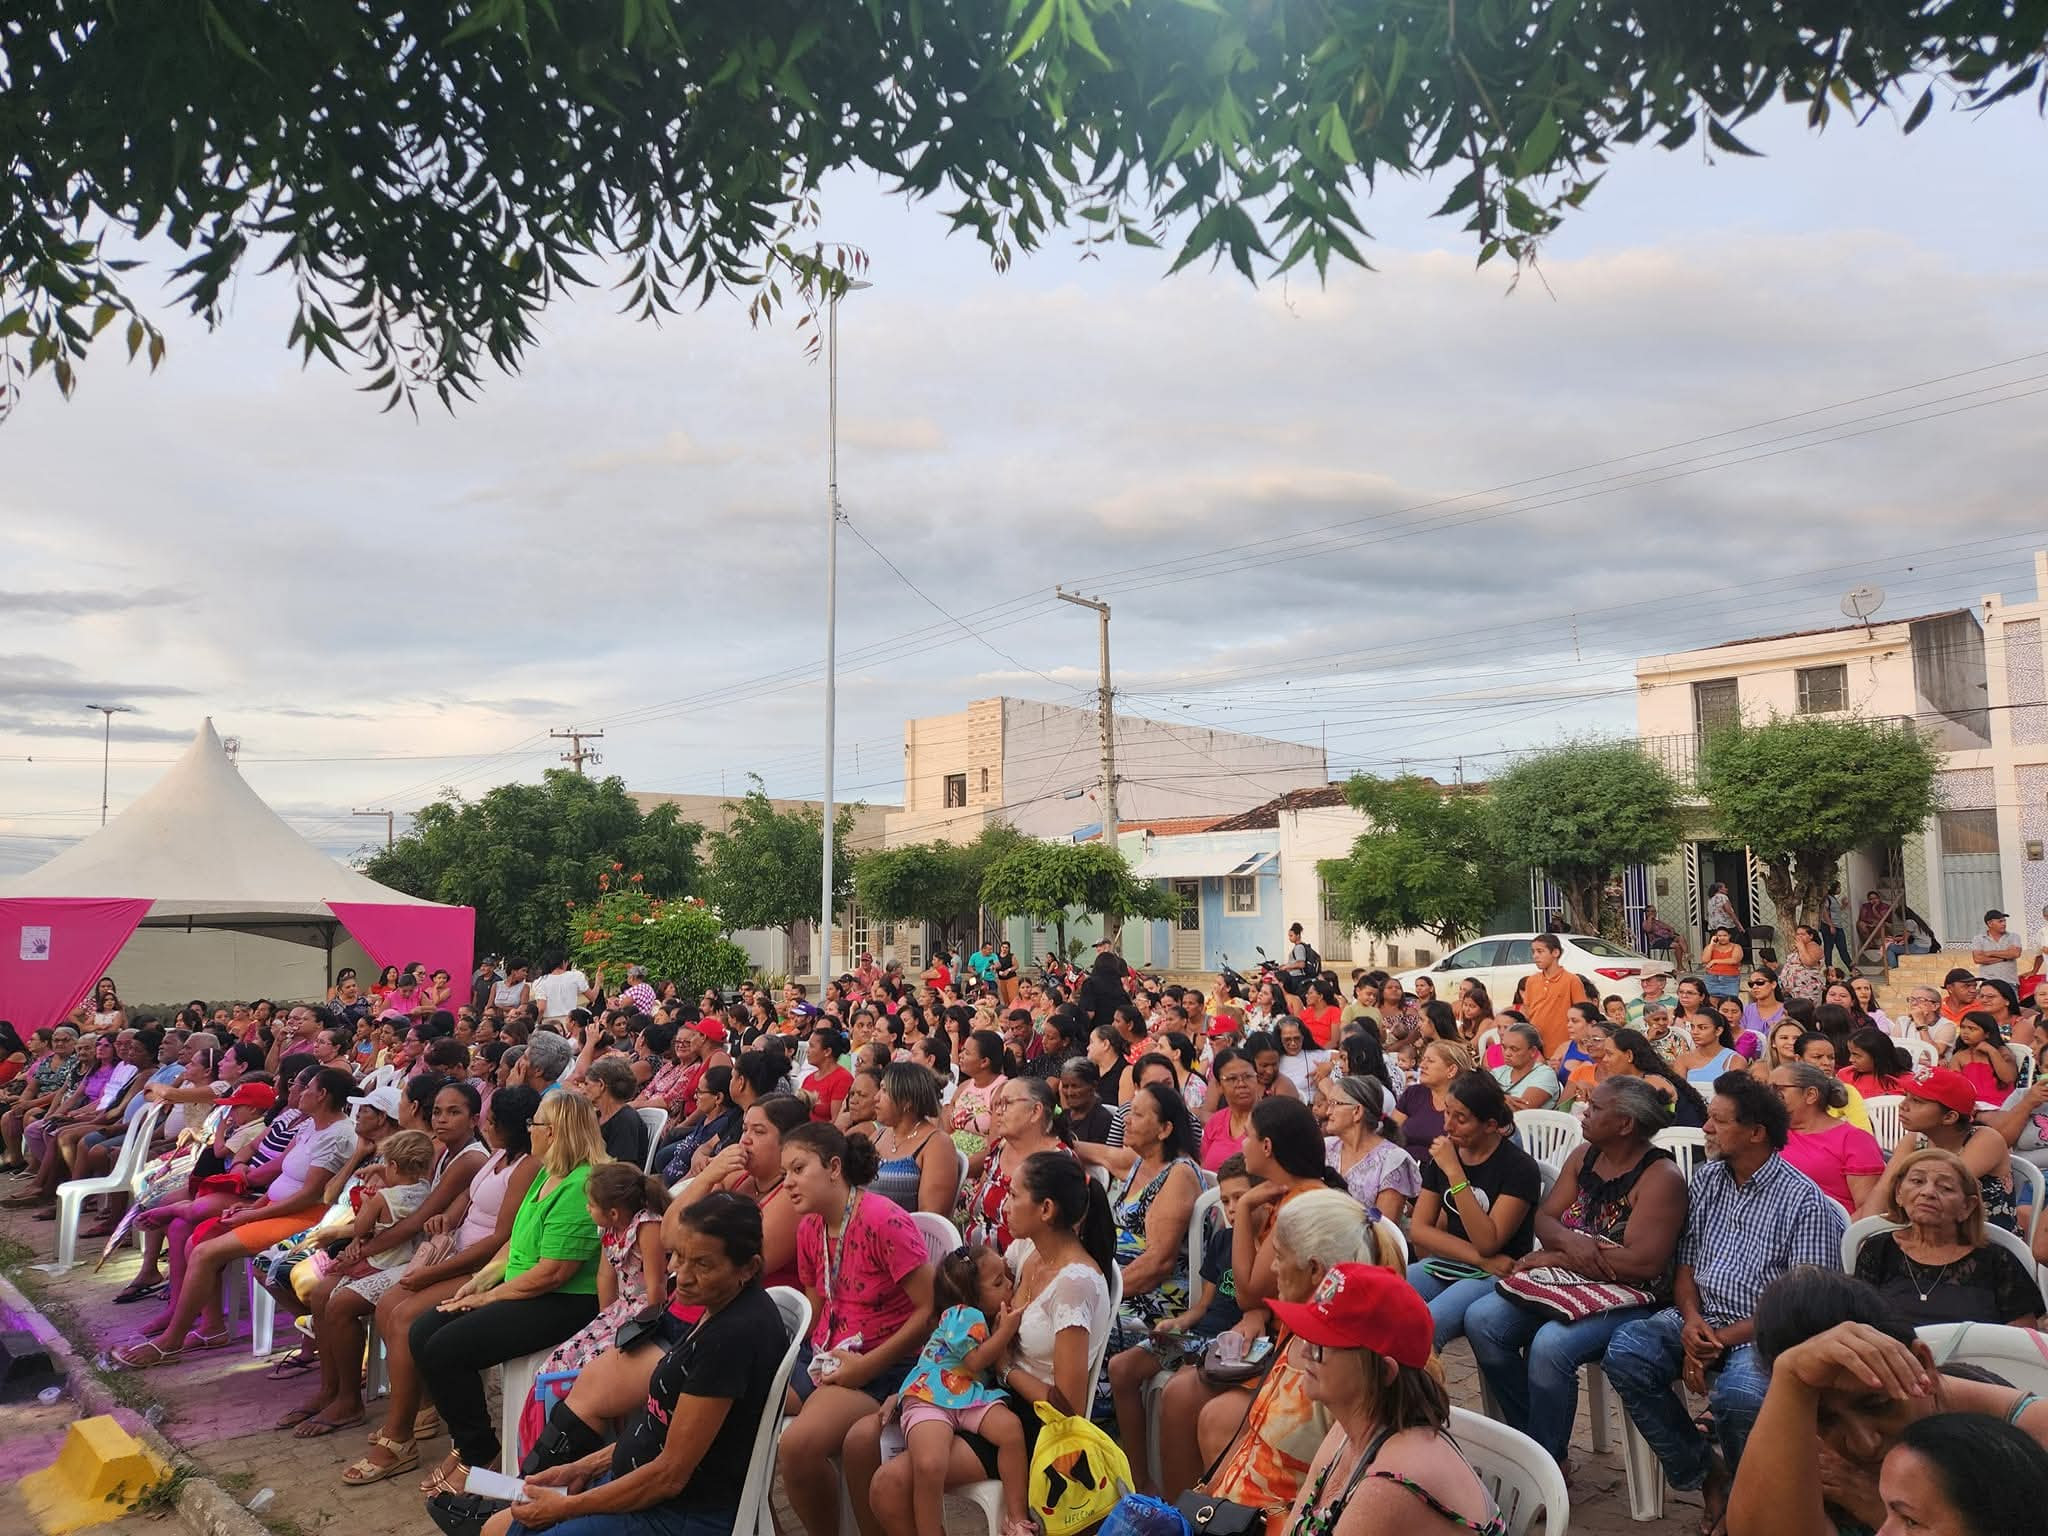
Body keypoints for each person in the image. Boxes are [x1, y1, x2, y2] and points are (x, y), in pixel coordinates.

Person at [1602, 1071, 1848, 1536]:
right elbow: (1686, 1264)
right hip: (1701, 1317)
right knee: (1627, 1351)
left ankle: (1748, 1502)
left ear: (1755, 1133)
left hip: (1765, 1331)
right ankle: (1709, 1475)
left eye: (1718, 1120)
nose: (1706, 1128)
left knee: (1740, 1396)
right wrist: (1692, 1322)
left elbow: (1802, 1309)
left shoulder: (1805, 1203)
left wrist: (1714, 1341)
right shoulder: (1709, 1179)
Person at [479, 1192, 793, 1536]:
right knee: (496, 1528)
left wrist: (567, 1507)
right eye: (678, 1256)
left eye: (702, 1265)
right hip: (640, 1484)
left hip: (679, 1513)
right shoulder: (717, 1309)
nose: (681, 1275)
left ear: (748, 1268)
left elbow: (670, 1476)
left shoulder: (729, 1341)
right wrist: (582, 1467)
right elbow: (662, 1431)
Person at [843, 1152, 1114, 1536]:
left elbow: (1067, 1405)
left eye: (1014, 1196)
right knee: (865, 1446)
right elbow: (971, 1307)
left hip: (1033, 1422)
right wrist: (922, 1385)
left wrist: (1005, 1368)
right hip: (980, 1390)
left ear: (1046, 1209)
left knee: (890, 1486)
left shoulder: (1075, 1284)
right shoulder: (1026, 1252)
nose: (1004, 1205)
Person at [1465, 1079, 1687, 1470]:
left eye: (1596, 1108)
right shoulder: (1585, 1156)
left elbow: (1643, 1265)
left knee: (1551, 1345)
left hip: (1634, 1295)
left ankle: (1542, 1460)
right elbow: (1545, 1218)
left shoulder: (1660, 1177)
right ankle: (1538, 1443)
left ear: (1625, 1124)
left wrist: (1560, 1256)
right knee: (1482, 1320)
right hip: (1573, 1282)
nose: (1584, 1113)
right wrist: (1572, 1242)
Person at [1726, 1267, 2048, 1536]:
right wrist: (1791, 1378)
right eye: (1825, 1421)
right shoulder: (1803, 1446)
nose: (1864, 1444)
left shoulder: (2029, 1433)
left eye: (1877, 1405)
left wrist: (1882, 1510)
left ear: (1922, 1363)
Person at [1158, 1189, 1401, 1528]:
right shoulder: (1298, 1326)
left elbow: (1334, 1501)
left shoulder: (1346, 1367)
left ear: (1314, 1270)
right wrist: (1206, 1502)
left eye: (1279, 1256)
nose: (1271, 1267)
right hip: (1235, 1517)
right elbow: (1251, 1438)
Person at [411, 1091, 607, 1496]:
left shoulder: (580, 1184)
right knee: (424, 1329)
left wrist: (489, 1298)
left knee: (447, 1349)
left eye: (535, 1123)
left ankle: (478, 1453)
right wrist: (481, 1281)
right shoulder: (547, 1174)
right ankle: (470, 1444)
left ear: (553, 1133)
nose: (529, 1129)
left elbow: (554, 1273)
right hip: (527, 1287)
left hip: (564, 1300)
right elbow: (515, 1242)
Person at [114, 1064, 361, 1367]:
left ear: (321, 1095)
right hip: (273, 1206)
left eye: (307, 1088)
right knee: (195, 1241)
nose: (299, 1092)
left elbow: (309, 1195)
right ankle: (211, 1328)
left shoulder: (338, 1135)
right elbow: (281, 1174)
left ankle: (171, 1342)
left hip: (306, 1215)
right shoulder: (311, 1125)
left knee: (205, 1252)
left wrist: (253, 1216)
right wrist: (251, 1209)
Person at [776, 1122, 936, 1536]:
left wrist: (865, 1368)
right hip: (827, 1356)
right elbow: (817, 1305)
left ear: (834, 1167)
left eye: (798, 1169)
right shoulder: (810, 1226)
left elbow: (930, 1311)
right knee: (743, 1402)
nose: (787, 1183)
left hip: (884, 1365)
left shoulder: (883, 1219)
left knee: (797, 1446)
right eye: (784, 1173)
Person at [1276, 1260, 1508, 1536]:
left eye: (1322, 1345)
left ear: (1383, 1372)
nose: (1305, 1352)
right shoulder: (1347, 1431)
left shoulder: (1389, 1484)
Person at [1106, 1154, 1255, 1491]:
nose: (1232, 1209)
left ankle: (1183, 1497)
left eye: (1240, 1198)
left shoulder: (1264, 1246)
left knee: (1179, 1388)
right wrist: (1178, 1323)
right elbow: (1203, 1305)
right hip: (1197, 1335)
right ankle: (1140, 1479)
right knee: (1121, 1368)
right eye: (1226, 1200)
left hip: (1229, 1345)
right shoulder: (1223, 1241)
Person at [876, 1244, 1035, 1536]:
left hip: (968, 1394)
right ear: (970, 1295)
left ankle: (1017, 1518)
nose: (1009, 1285)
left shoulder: (985, 1316)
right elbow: (975, 1361)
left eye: (1007, 1276)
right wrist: (1005, 1332)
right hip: (931, 1397)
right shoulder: (963, 1314)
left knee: (1010, 1429)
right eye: (998, 1282)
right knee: (930, 1463)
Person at [1404, 1071, 1541, 1347]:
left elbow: (1488, 1242)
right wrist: (1479, 1259)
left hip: (1500, 1272)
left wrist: (1455, 1173)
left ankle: (1418, 1378)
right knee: (1386, 1297)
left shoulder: (1518, 1167)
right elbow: (1419, 1230)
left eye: (1461, 1119)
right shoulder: (1445, 1155)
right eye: (1447, 1113)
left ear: (1490, 1125)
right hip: (1460, 1262)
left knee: (1429, 1322)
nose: (1448, 1126)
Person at [1851, 1145, 2043, 1327]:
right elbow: (1858, 1324)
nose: (1928, 1192)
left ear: (1967, 1206)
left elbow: (2022, 1339)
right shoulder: (1878, 1249)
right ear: (1899, 1194)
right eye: (1917, 1181)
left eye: (1946, 1188)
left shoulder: (1997, 1260)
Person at [1865, 1066, 2016, 1230]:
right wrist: (1863, 1233)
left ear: (1949, 1117)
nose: (1903, 1105)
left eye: (1917, 1101)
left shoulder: (1986, 1139)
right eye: (1906, 1096)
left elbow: (1941, 1188)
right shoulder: (1915, 1139)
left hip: (1983, 1238)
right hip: (1925, 1232)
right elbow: (1884, 1189)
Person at [960, 1076, 1068, 1249]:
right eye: (997, 1105)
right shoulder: (1000, 1147)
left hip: (1014, 1263)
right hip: (973, 1254)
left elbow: (1056, 1238)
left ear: (1035, 1111)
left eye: (1007, 1104)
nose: (998, 1112)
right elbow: (977, 1205)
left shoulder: (1057, 1163)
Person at [1773, 1061, 1886, 1213]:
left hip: (1830, 1225)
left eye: (1777, 1090)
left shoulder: (1854, 1140)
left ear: (1810, 1095)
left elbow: (1868, 1210)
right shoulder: (1768, 1133)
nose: (1769, 1096)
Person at [1315, 1073, 1419, 1221]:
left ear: (1357, 1111)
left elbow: (1382, 1227)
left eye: (1334, 1104)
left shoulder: (1392, 1161)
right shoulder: (1325, 1147)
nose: (1328, 1112)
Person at [866, 1061, 959, 1214]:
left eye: (884, 1090)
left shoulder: (937, 1144)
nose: (876, 1097)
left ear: (907, 1101)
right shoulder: (878, 1136)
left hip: (904, 1228)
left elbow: (930, 1216)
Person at [1389, 1040, 1473, 1160]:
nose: (1422, 1065)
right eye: (1423, 1059)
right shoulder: (1413, 1093)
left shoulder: (1466, 1103)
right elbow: (1390, 1135)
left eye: (1430, 1061)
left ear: (1451, 1070)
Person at [1519, 933, 1589, 1060]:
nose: (1535, 956)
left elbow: (1583, 1014)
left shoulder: (1571, 980)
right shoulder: (1531, 981)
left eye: (1540, 951)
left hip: (1562, 1048)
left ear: (1555, 952)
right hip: (1536, 1048)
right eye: (1533, 952)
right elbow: (1527, 1010)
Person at [1202, 1047, 1263, 1172]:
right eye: (1232, 1079)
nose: (1241, 1084)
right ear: (1219, 1086)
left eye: (1248, 1076)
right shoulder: (1215, 1122)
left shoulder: (1271, 1119)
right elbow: (1203, 1168)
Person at [1490, 1023, 1560, 1111]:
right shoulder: (1498, 1072)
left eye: (1514, 1049)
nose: (1507, 1053)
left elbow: (1521, 1109)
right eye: (1504, 1047)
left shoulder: (1545, 1074)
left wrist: (1494, 1098)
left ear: (1533, 1051)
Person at [1973, 909, 2021, 987]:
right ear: (1990, 923)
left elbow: (2015, 953)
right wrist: (2005, 958)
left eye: (2004, 921)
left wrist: (1990, 953)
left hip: (2009, 983)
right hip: (1987, 982)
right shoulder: (1979, 939)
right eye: (2000, 921)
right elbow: (1978, 959)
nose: (2004, 924)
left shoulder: (2013, 936)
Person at [1701, 927, 1745, 1001]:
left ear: (1729, 936)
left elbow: (1734, 960)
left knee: (1730, 1002)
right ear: (1716, 936)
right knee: (1710, 1002)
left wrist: (1714, 961)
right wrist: (1711, 944)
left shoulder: (1736, 947)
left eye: (1725, 935)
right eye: (1719, 936)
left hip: (1730, 980)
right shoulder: (1711, 947)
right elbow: (1705, 960)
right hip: (1712, 979)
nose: (1722, 938)